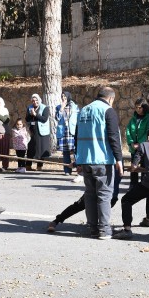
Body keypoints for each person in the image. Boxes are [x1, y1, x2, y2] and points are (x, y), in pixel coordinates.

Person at [74, 87, 124, 239]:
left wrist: (78, 160)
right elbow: (113, 136)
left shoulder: (83, 111)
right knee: (104, 194)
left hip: (85, 159)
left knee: (90, 194)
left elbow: (77, 135)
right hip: (102, 160)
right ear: (110, 99)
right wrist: (119, 159)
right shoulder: (107, 111)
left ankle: (93, 227)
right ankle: (104, 230)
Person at [113, 128, 149, 239]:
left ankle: (127, 229)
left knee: (126, 200)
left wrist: (133, 167)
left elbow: (135, 162)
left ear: (148, 138)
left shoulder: (144, 145)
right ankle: (148, 220)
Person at [47, 172, 123, 233]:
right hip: (97, 190)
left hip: (111, 193)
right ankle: (56, 221)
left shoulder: (117, 159)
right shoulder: (108, 158)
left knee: (103, 206)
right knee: (79, 205)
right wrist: (77, 164)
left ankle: (101, 227)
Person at [125, 97, 149, 186]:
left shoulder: (148, 119)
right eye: (136, 107)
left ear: (144, 107)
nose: (138, 109)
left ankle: (144, 184)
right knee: (134, 167)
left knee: (143, 167)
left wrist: (140, 144)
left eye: (140, 107)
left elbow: (147, 132)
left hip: (143, 148)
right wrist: (131, 142)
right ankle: (133, 184)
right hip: (133, 147)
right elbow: (128, 131)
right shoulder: (133, 119)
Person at [56, 91, 80, 179]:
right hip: (63, 131)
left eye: (65, 97)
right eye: (62, 97)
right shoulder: (58, 107)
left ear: (68, 97)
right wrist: (61, 108)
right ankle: (67, 170)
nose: (63, 98)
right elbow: (57, 118)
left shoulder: (75, 107)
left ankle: (78, 169)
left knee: (75, 151)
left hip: (72, 131)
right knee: (65, 152)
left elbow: (78, 118)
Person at [26, 93, 51, 171]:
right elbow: (27, 119)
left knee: (41, 149)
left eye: (36, 100)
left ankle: (39, 166)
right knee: (30, 149)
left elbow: (44, 119)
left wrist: (35, 114)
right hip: (32, 132)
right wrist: (30, 114)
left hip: (42, 132)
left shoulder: (45, 108)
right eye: (33, 100)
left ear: (39, 100)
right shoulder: (29, 108)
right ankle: (28, 166)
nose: (35, 102)